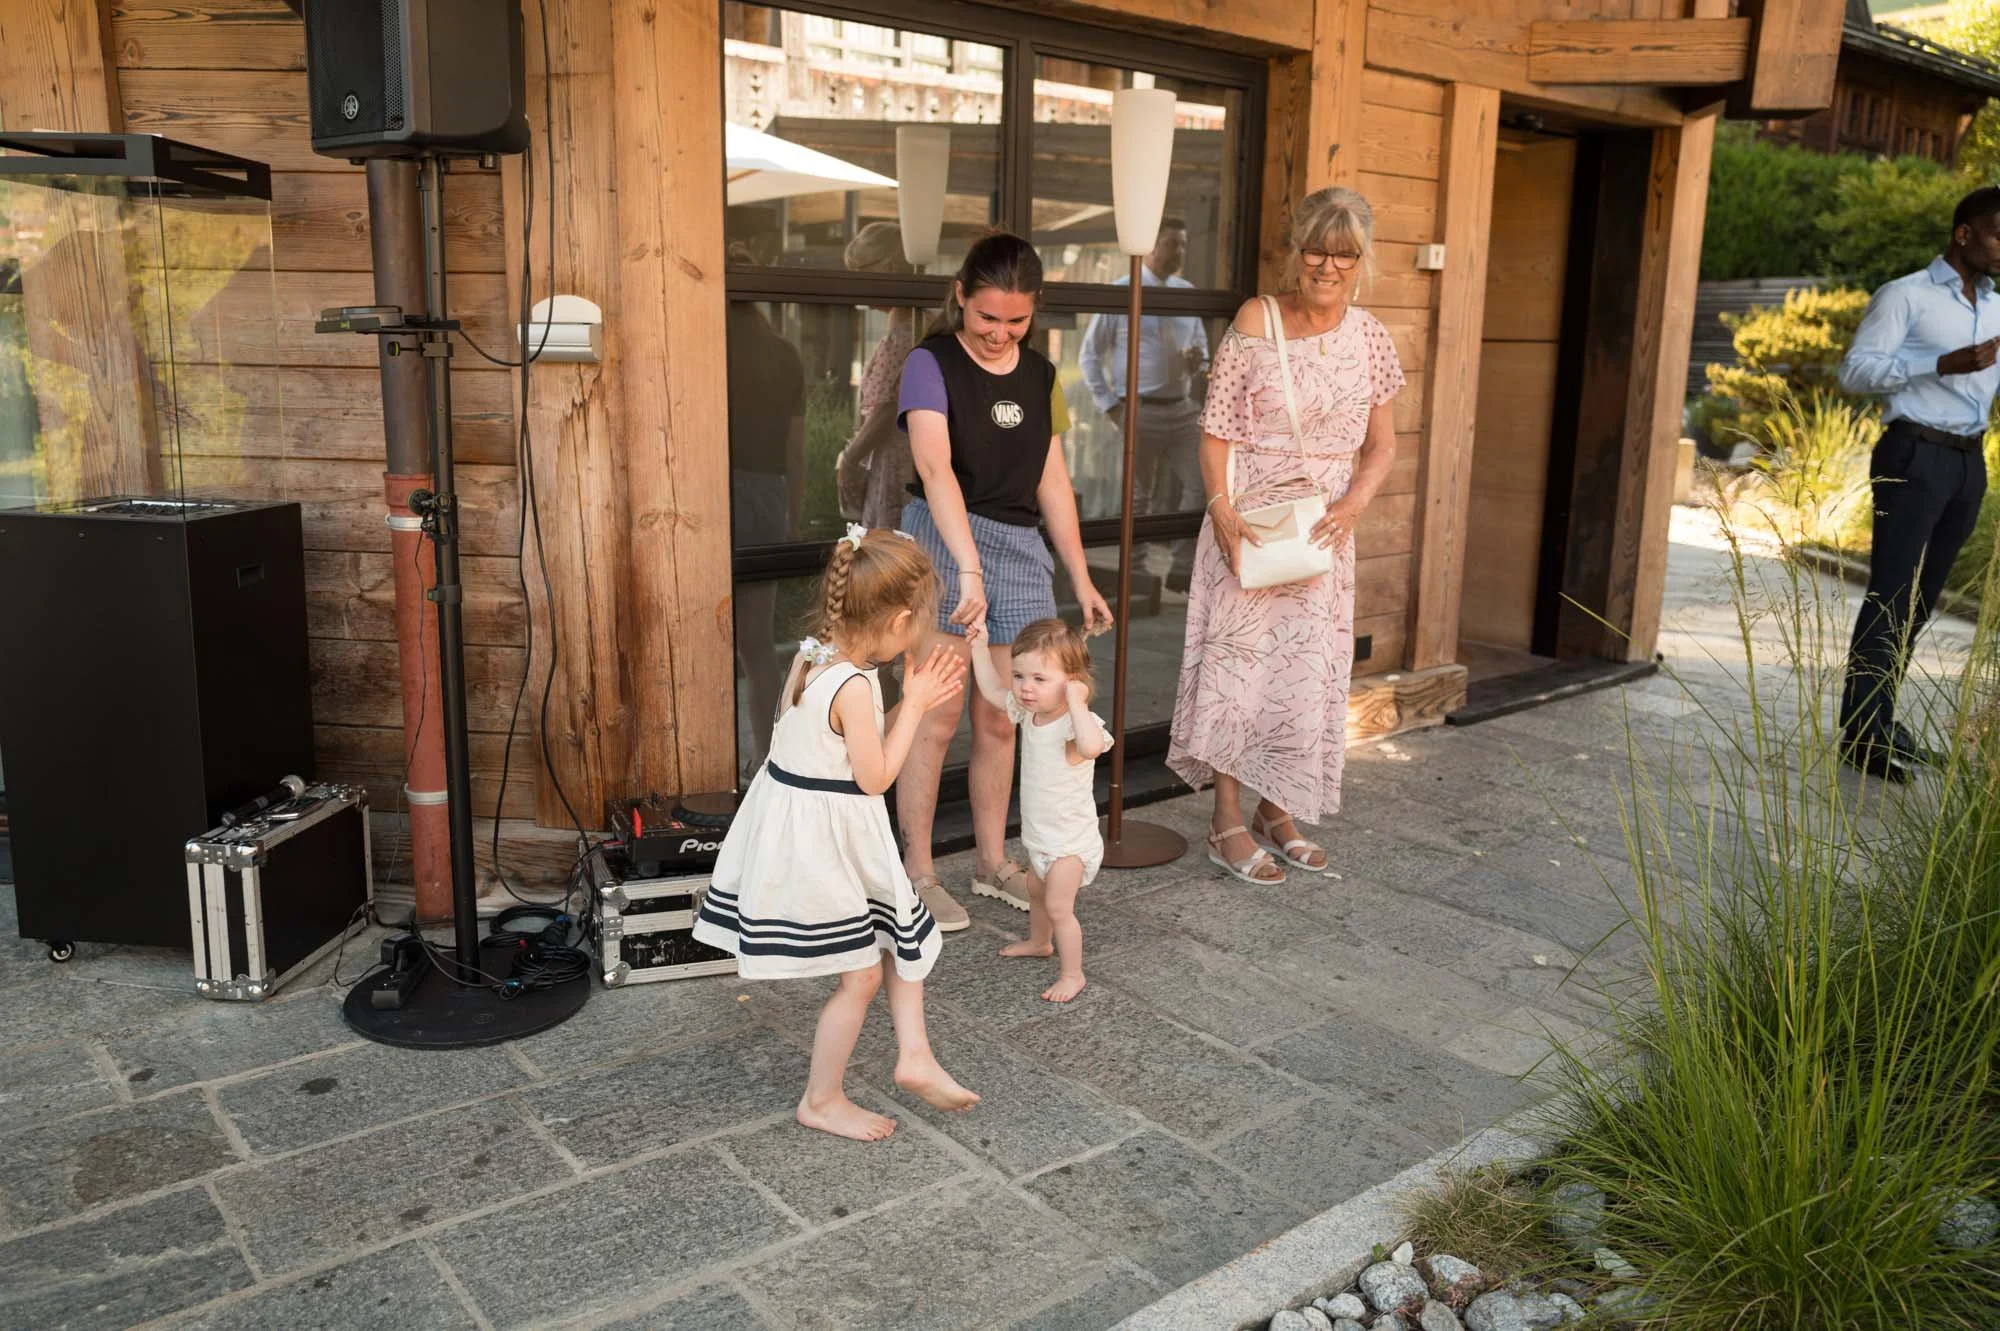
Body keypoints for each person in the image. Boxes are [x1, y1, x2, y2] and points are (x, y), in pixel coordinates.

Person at [693, 526, 980, 1141]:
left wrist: (916, 699)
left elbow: (862, 746)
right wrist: (921, 701)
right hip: (822, 844)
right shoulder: (852, 682)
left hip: (823, 826)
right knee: (865, 973)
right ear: (900, 618)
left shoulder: (818, 651)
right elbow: (876, 776)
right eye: (921, 621)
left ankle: (915, 1056)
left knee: (903, 934)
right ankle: (822, 1099)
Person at [1168, 187, 1404, 885]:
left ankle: (1280, 809)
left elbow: (1383, 446)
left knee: (1301, 679)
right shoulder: (1256, 318)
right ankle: (1226, 820)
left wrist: (1355, 504)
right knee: (1240, 675)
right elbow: (1214, 431)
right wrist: (1220, 510)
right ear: (1294, 249)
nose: (1327, 265)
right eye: (1315, 248)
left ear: (1362, 261)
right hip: (1249, 522)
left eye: (1343, 253)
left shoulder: (1371, 337)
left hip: (1325, 532)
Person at [896, 232, 1116, 930]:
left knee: (1002, 714)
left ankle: (991, 862)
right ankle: (918, 874)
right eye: (987, 317)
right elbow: (935, 471)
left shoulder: (1043, 376)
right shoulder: (928, 363)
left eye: (1015, 320)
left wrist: (1080, 577)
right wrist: (965, 566)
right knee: (934, 716)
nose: (999, 333)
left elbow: (1053, 480)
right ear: (961, 295)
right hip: (941, 536)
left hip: (1019, 549)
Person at [1835, 186, 2000, 783]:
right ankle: (1862, 737)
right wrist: (1939, 364)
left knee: (1923, 598)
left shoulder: (1996, 306)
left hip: (1967, 462)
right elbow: (1855, 372)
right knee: (1891, 592)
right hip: (1913, 453)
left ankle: (1880, 716)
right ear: (1964, 234)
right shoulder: (1904, 295)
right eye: (1997, 235)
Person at [963, 616, 1111, 1003]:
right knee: (1036, 891)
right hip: (1041, 837)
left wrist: (1077, 702)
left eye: (1040, 679)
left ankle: (1072, 973)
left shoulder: (1076, 725)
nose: (1026, 688)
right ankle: (1039, 942)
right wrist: (979, 647)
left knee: (1060, 906)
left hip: (1070, 844)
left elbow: (1093, 747)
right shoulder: (1029, 713)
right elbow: (994, 692)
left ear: (1073, 680)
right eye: (1020, 676)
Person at [1078, 217, 1210, 590]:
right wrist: (1110, 405)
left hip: (1183, 408)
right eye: (1173, 244)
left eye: (1183, 245)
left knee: (1202, 484)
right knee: (1138, 498)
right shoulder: (1122, 292)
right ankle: (1134, 576)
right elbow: (1090, 356)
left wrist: (1198, 362)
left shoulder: (1187, 292)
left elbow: (1203, 351)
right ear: (1152, 247)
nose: (1179, 252)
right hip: (1138, 409)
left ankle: (1182, 570)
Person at [725, 283, 806, 776]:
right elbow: (795, 452)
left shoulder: (712, 348)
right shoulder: (785, 355)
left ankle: (710, 759)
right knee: (757, 646)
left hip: (714, 491)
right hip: (769, 494)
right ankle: (766, 756)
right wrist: (791, 521)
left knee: (704, 634)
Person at [834, 223, 924, 529]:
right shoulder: (905, 322)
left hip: (900, 468)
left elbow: (888, 407)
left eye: (861, 273)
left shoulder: (909, 329)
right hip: (893, 466)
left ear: (887, 268)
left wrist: (850, 458)